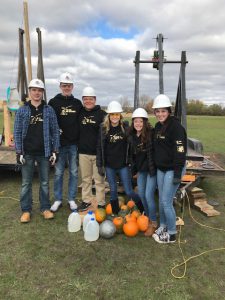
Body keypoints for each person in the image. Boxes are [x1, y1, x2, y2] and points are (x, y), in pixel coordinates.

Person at [14, 79, 60, 223]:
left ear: (43, 93)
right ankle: (26, 210)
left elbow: (55, 131)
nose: (36, 93)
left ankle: (45, 208)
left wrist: (55, 150)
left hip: (44, 152)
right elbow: (17, 131)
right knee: (26, 183)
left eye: (39, 90)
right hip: (27, 152)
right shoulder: (22, 110)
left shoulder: (48, 110)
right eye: (34, 90)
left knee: (45, 182)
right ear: (29, 92)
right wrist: (19, 152)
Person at [96, 101, 144, 215]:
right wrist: (100, 165)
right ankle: (115, 213)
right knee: (113, 190)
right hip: (109, 166)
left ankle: (143, 209)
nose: (114, 117)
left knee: (128, 191)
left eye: (117, 114)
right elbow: (99, 147)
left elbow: (134, 141)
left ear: (120, 116)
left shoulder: (125, 127)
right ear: (109, 116)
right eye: (112, 114)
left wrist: (132, 162)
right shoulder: (103, 128)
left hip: (123, 166)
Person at [151, 94, 187, 243]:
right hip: (161, 169)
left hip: (173, 169)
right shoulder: (158, 126)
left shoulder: (176, 128)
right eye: (157, 111)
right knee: (161, 200)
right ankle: (164, 225)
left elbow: (180, 152)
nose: (160, 114)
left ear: (169, 111)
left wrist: (178, 173)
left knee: (166, 202)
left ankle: (171, 234)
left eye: (163, 111)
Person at [49, 73, 82, 212]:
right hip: (59, 145)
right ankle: (57, 199)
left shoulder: (77, 103)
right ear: (60, 86)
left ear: (72, 87)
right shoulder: (53, 102)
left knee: (74, 172)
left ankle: (71, 199)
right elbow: (50, 122)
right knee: (58, 173)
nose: (66, 88)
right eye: (64, 85)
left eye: (69, 85)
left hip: (74, 144)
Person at [128, 108, 157, 236]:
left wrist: (146, 169)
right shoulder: (132, 136)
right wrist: (135, 170)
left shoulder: (150, 135)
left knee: (148, 195)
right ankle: (146, 216)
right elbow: (133, 156)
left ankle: (153, 222)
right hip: (141, 170)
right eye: (135, 121)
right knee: (142, 194)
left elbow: (152, 155)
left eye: (140, 121)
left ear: (145, 122)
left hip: (151, 170)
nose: (138, 124)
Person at [77, 86, 106, 211]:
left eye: (91, 99)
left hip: (98, 154)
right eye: (86, 99)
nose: (88, 101)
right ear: (83, 100)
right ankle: (86, 200)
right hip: (83, 152)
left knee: (99, 180)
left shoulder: (102, 114)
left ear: (95, 99)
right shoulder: (80, 113)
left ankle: (100, 203)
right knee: (86, 179)